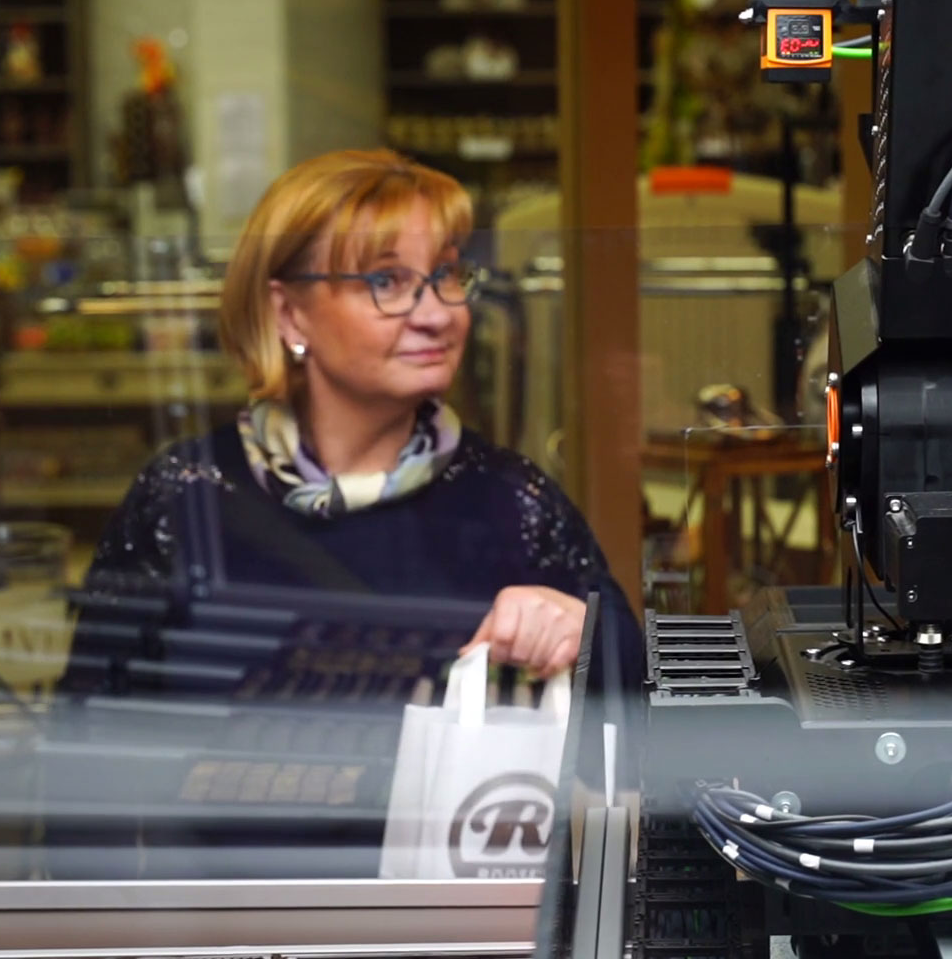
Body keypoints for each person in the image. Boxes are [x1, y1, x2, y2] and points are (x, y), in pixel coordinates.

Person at [81, 149, 638, 685]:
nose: (438, 314)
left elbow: (654, 708)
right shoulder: (188, 494)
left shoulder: (512, 503)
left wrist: (584, 634)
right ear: (289, 315)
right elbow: (86, 728)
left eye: (446, 274)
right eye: (386, 281)